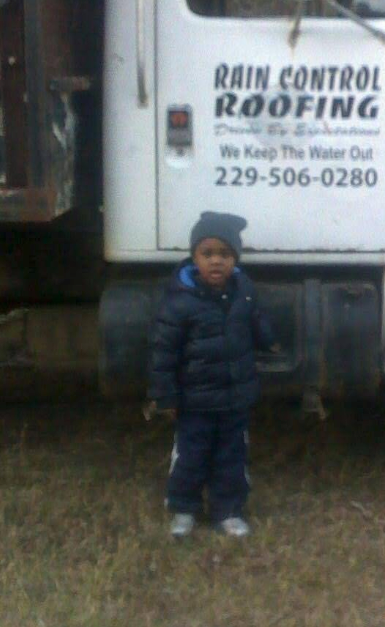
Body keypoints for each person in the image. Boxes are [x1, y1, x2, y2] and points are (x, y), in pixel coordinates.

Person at [146, 212, 277, 539]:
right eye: (207, 254)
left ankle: (228, 511)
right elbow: (163, 354)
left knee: (232, 457)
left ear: (235, 258)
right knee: (191, 456)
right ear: (194, 257)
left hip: (234, 399)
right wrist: (166, 396)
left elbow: (255, 319)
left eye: (224, 254)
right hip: (195, 402)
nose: (216, 262)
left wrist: (268, 339)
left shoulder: (243, 291)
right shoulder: (180, 302)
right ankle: (183, 508)